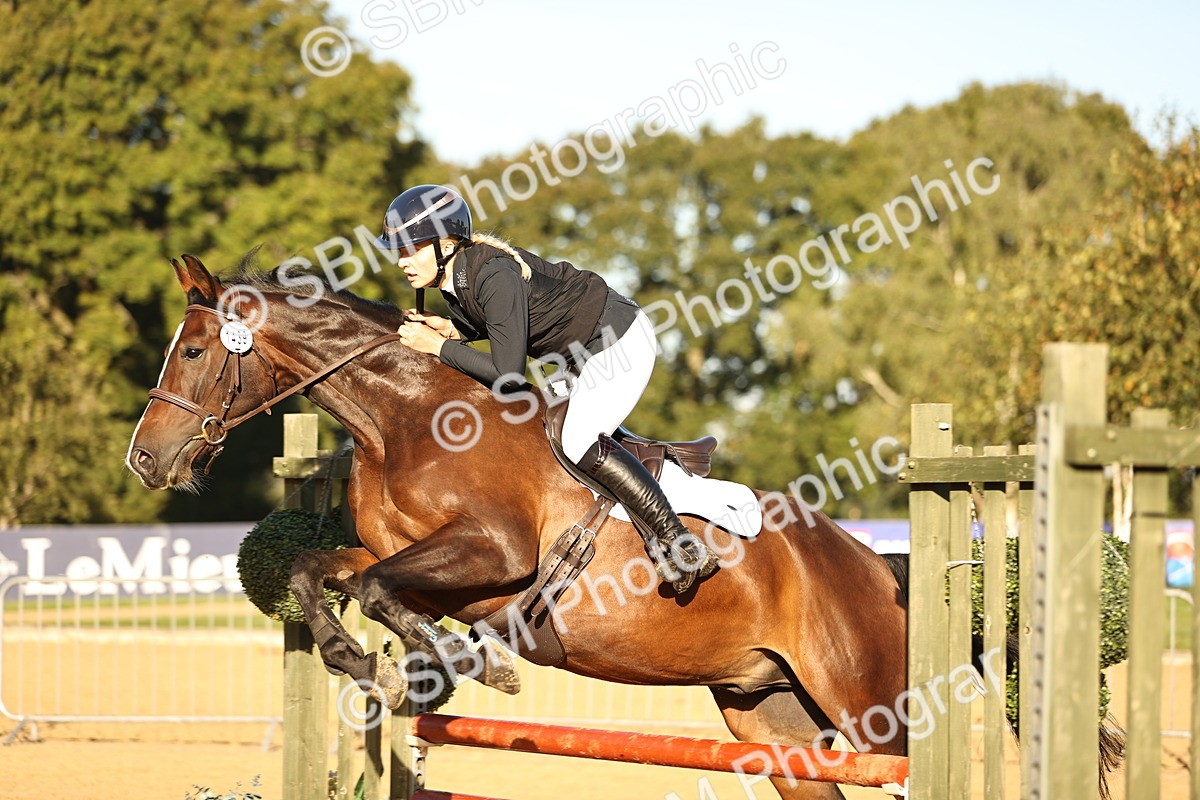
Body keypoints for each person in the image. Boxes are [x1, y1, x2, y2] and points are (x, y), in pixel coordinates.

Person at [374, 184, 718, 594]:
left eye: (411, 249)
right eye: (397, 250)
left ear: (446, 243)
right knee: (535, 432)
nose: (402, 262)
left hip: (617, 340)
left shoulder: (492, 273)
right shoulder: (458, 278)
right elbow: (501, 323)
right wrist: (452, 330)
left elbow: (510, 376)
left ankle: (679, 542)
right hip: (577, 352)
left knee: (577, 439)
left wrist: (440, 348)